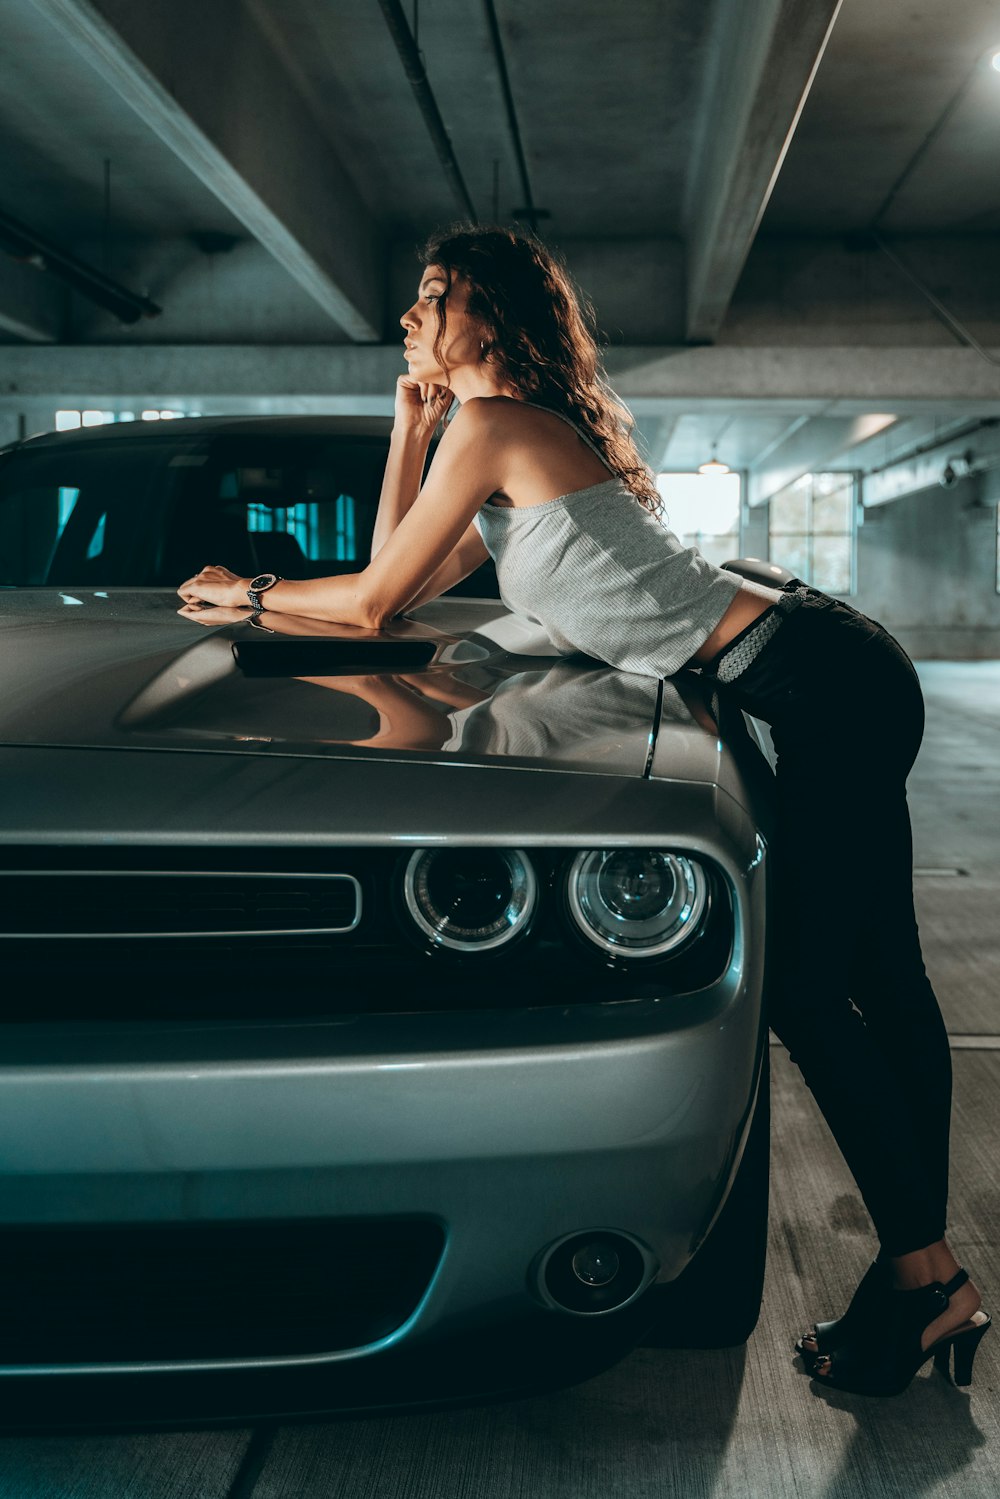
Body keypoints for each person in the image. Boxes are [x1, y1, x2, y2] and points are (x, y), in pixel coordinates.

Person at [178, 224, 989, 1396]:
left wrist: (244, 589)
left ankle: (922, 1277)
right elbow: (399, 571)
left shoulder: (500, 424)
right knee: (883, 977)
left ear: (490, 320)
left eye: (431, 296)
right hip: (827, 668)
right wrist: (406, 426)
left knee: (816, 989)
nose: (408, 316)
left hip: (823, 679)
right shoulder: (487, 431)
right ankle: (922, 1283)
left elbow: (362, 608)